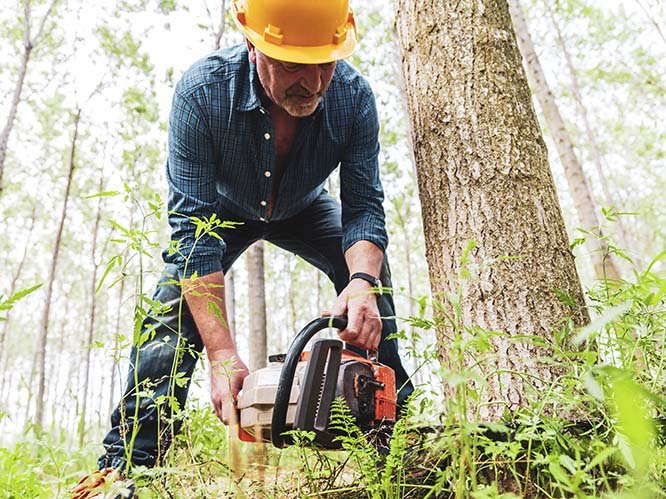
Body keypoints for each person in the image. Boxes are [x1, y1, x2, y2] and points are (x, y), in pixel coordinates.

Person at [73, 0, 413, 496]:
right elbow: (193, 234)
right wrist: (223, 353)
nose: (314, 83)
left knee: (370, 279)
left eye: (325, 63)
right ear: (254, 46)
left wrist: (360, 284)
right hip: (222, 212)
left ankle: (393, 439)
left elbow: (364, 207)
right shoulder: (203, 93)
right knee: (172, 303)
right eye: (294, 65)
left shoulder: (355, 98)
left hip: (304, 206)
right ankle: (129, 464)